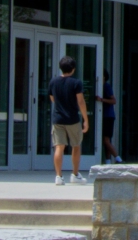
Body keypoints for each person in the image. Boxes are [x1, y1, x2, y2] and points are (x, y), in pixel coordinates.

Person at [47, 56, 88, 185]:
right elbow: (80, 101)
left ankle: (58, 177)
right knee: (76, 146)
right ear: (73, 69)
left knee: (59, 147)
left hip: (57, 119)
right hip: (73, 119)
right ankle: (75, 175)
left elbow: (52, 98)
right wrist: (85, 119)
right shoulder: (76, 83)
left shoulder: (53, 82)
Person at [99, 72, 121, 164]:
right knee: (105, 140)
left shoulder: (106, 86)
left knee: (106, 140)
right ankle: (108, 161)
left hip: (108, 116)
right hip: (104, 115)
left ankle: (118, 158)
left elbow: (113, 100)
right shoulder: (100, 87)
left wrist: (101, 100)